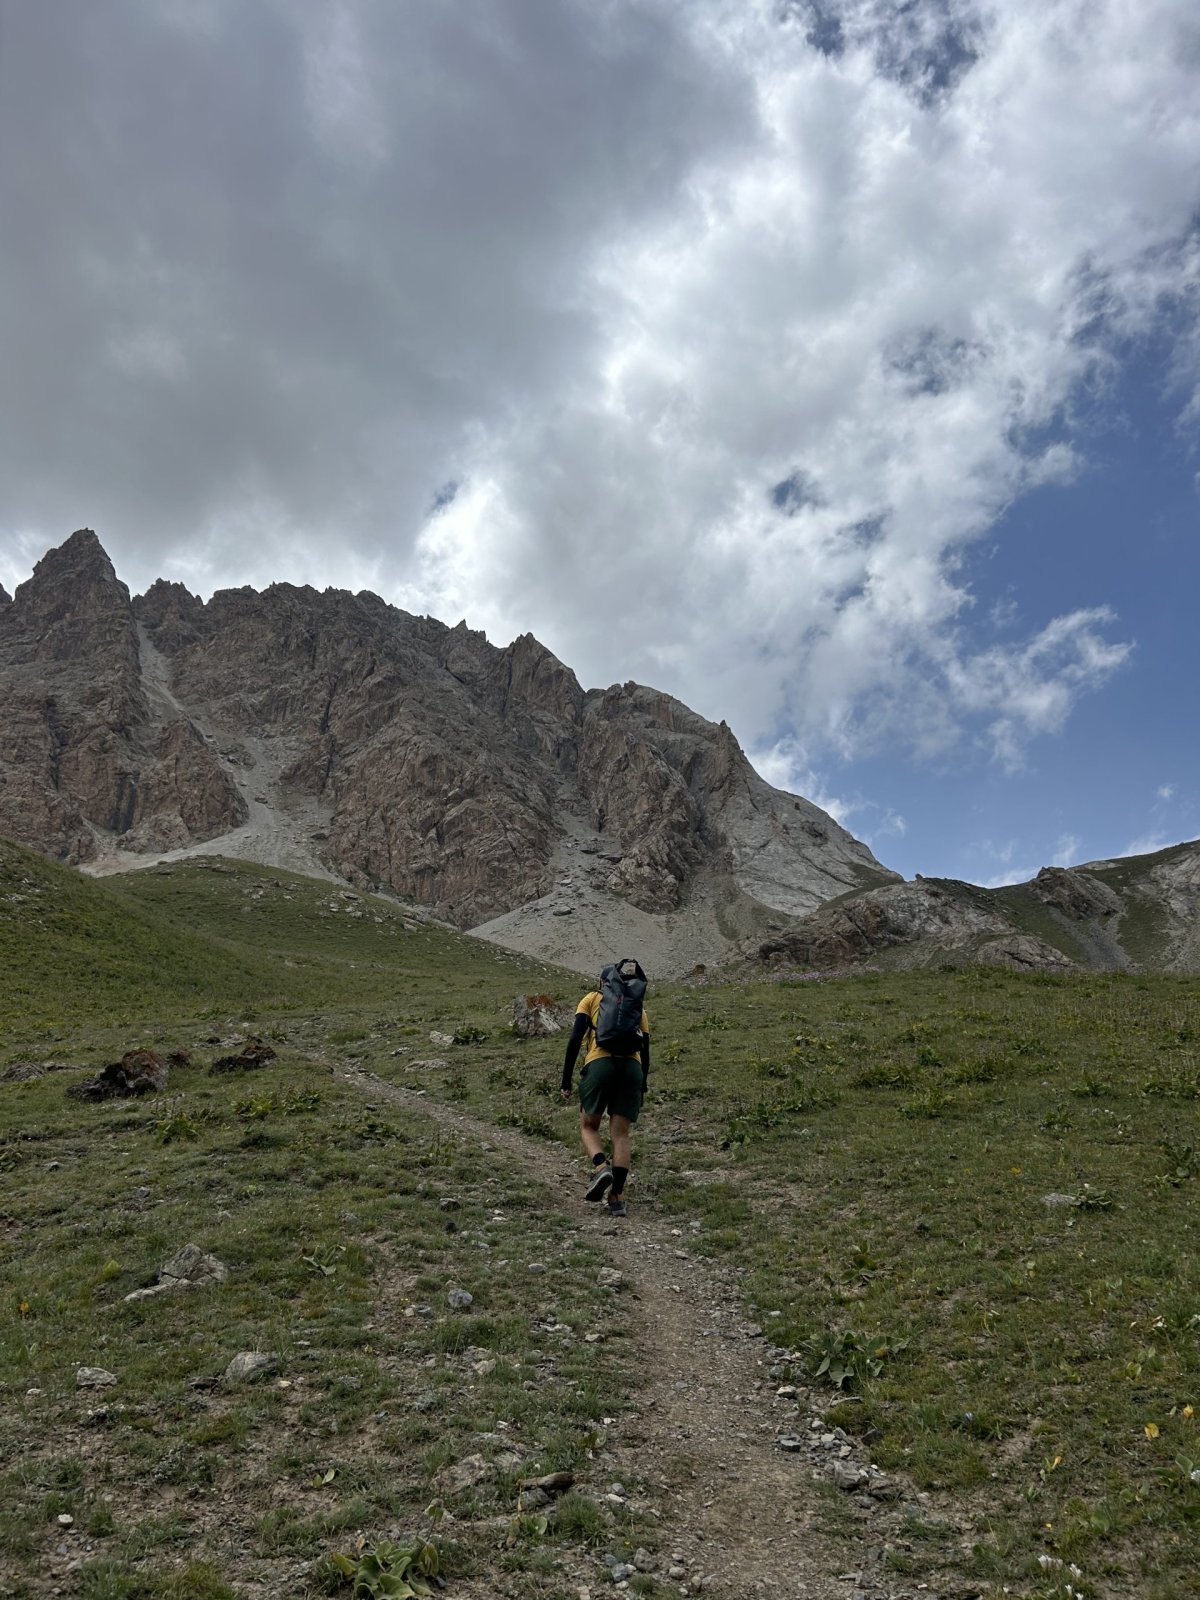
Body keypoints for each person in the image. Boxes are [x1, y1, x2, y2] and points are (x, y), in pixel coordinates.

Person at [560, 960, 650, 1218]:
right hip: (632, 1068)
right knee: (620, 1134)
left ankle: (601, 1167)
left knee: (589, 1125)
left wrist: (566, 1081)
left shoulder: (590, 999)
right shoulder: (636, 1006)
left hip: (600, 1063)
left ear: (603, 982)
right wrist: (641, 1084)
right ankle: (617, 1197)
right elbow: (646, 1051)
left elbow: (575, 1039)